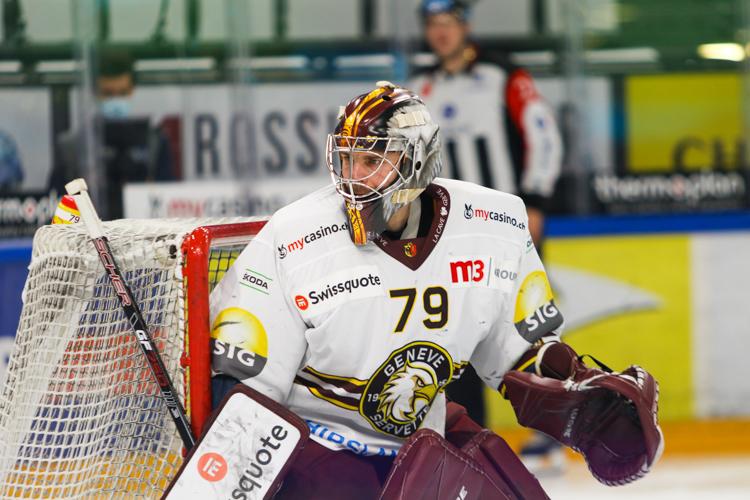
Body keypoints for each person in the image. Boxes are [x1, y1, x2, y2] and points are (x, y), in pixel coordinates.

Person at [208, 82, 662, 498]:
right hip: (318, 445)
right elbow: (246, 389)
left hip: (425, 438)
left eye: (372, 161)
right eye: (347, 160)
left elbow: (517, 353)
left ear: (416, 161)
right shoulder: (294, 237)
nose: (353, 177)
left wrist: (572, 389)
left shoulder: (492, 224)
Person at [408, 1, 564, 465]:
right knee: (457, 333)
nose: (440, 33)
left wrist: (535, 200)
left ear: (465, 27)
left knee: (528, 328)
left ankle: (552, 433)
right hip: (452, 233)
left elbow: (544, 137)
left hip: (509, 226)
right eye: (433, 25)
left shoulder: (504, 76)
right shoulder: (422, 87)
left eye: (448, 23)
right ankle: (468, 441)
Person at [48, 51, 174, 218]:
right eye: (108, 93)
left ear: (132, 90)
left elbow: (170, 205)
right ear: (95, 92)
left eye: (122, 93)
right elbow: (55, 210)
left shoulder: (155, 145)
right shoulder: (73, 149)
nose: (116, 100)